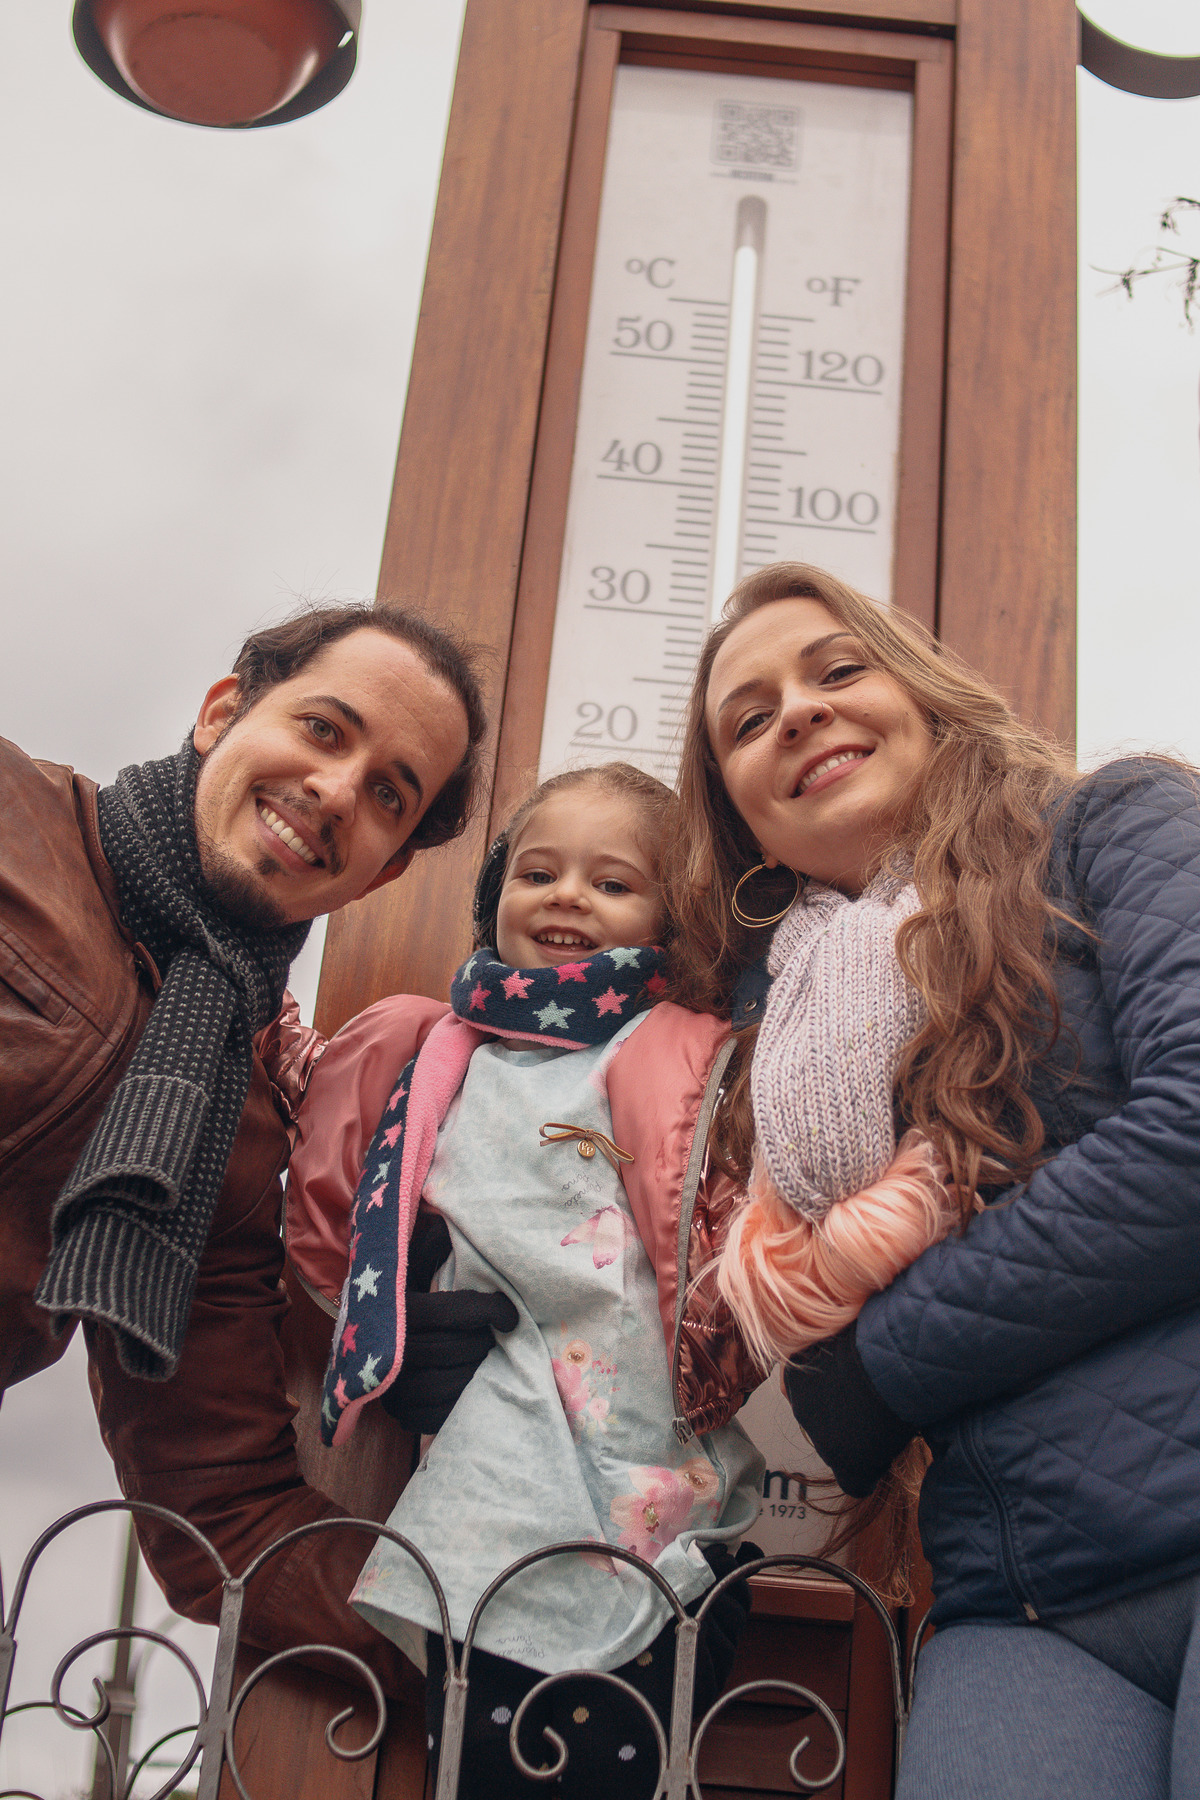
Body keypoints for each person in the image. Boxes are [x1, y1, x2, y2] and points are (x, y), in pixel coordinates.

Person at [665, 557, 1200, 1799]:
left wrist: (880, 1368)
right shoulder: (772, 1050)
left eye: (837, 669)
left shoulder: (1113, 824)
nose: (797, 710)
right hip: (1020, 1598)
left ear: (925, 693)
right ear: (738, 813)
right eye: (749, 720)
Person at [0, 598, 502, 1693]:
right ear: (222, 711)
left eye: (387, 794)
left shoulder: (232, 1136)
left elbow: (226, 1511)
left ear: (376, 873)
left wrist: (512, 1624)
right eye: (325, 730)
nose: (335, 790)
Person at [285, 764, 765, 1798]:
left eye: (612, 882)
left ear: (669, 917)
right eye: (538, 872)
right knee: (486, 1763)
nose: (566, 897)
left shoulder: (695, 1049)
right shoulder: (441, 1053)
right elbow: (330, 1162)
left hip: (650, 1467)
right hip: (489, 1475)